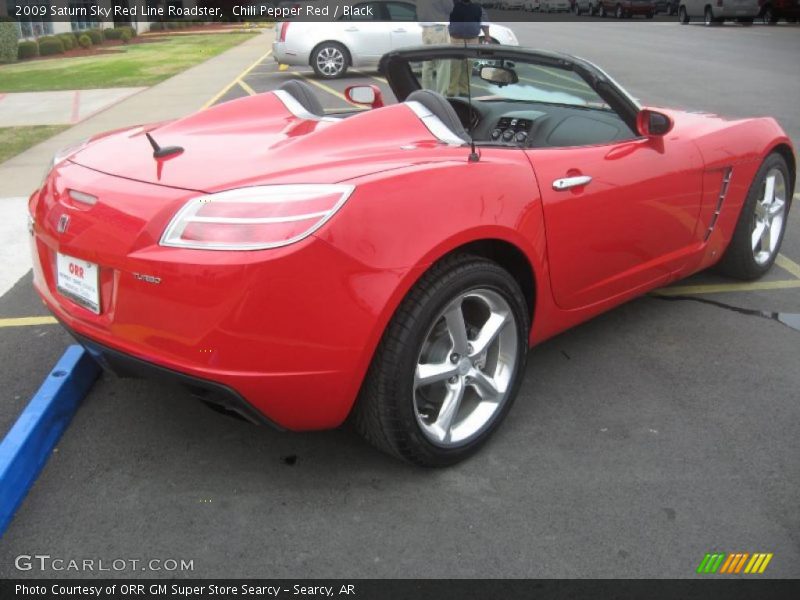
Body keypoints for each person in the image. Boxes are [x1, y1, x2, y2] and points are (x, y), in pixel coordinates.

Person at [447, 0, 491, 97]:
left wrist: (487, 36)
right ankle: (451, 90)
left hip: (473, 40)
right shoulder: (452, 6)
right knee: (454, 66)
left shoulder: (478, 8)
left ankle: (464, 90)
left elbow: (484, 22)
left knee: (468, 66)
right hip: (456, 40)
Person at [418, 0, 454, 95]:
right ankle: (442, 96)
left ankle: (425, 93)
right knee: (443, 64)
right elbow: (450, 8)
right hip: (439, 28)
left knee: (427, 64)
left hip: (425, 30)